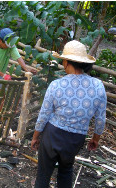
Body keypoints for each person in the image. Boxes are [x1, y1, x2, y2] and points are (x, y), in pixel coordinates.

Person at [30, 41, 106, 188]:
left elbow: (44, 114)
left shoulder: (56, 85)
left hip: (53, 135)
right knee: (66, 170)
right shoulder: (98, 86)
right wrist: (96, 138)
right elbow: (100, 119)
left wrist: (35, 136)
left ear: (65, 62)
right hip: (76, 138)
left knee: (43, 174)